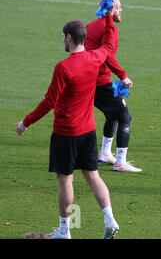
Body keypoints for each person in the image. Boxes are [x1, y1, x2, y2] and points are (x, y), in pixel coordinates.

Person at [15, 13, 120, 239]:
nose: (62, 40)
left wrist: (26, 122)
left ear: (70, 38)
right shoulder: (95, 58)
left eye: (63, 37)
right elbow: (109, 46)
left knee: (65, 180)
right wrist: (110, 18)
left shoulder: (63, 68)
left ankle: (64, 230)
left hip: (66, 133)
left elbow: (49, 102)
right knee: (93, 176)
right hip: (89, 131)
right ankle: (110, 219)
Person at [85, 0, 142, 172]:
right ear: (111, 9)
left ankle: (104, 153)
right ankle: (120, 162)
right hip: (100, 81)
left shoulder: (90, 26)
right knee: (125, 116)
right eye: (118, 7)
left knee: (112, 115)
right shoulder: (109, 29)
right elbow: (107, 55)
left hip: (87, 80)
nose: (121, 10)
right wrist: (123, 76)